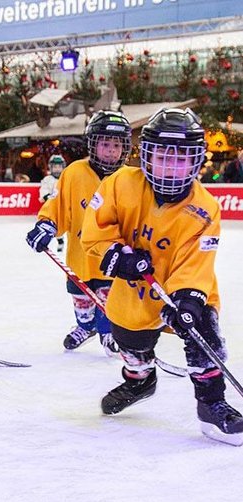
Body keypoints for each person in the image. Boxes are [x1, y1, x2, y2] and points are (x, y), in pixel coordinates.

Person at [81, 107, 243, 445]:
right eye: (162, 155)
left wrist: (187, 298)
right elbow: (94, 231)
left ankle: (211, 405)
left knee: (204, 339)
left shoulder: (205, 208)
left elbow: (197, 262)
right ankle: (140, 379)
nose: (171, 166)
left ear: (197, 161)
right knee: (130, 344)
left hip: (182, 287)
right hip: (135, 291)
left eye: (181, 158)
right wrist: (117, 258)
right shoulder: (119, 183)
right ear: (147, 156)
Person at [26, 110, 132, 355]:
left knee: (108, 300)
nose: (111, 151)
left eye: (117, 145)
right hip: (80, 257)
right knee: (81, 299)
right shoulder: (74, 173)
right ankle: (86, 326)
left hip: (113, 258)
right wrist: (46, 224)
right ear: (93, 144)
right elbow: (58, 206)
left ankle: (109, 333)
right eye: (105, 144)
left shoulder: (130, 179)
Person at [39, 155, 67, 253]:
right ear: (51, 167)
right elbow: (44, 190)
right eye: (55, 167)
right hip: (52, 208)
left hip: (66, 206)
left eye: (59, 167)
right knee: (53, 225)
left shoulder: (66, 178)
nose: (57, 169)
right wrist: (47, 197)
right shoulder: (48, 179)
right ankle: (58, 240)